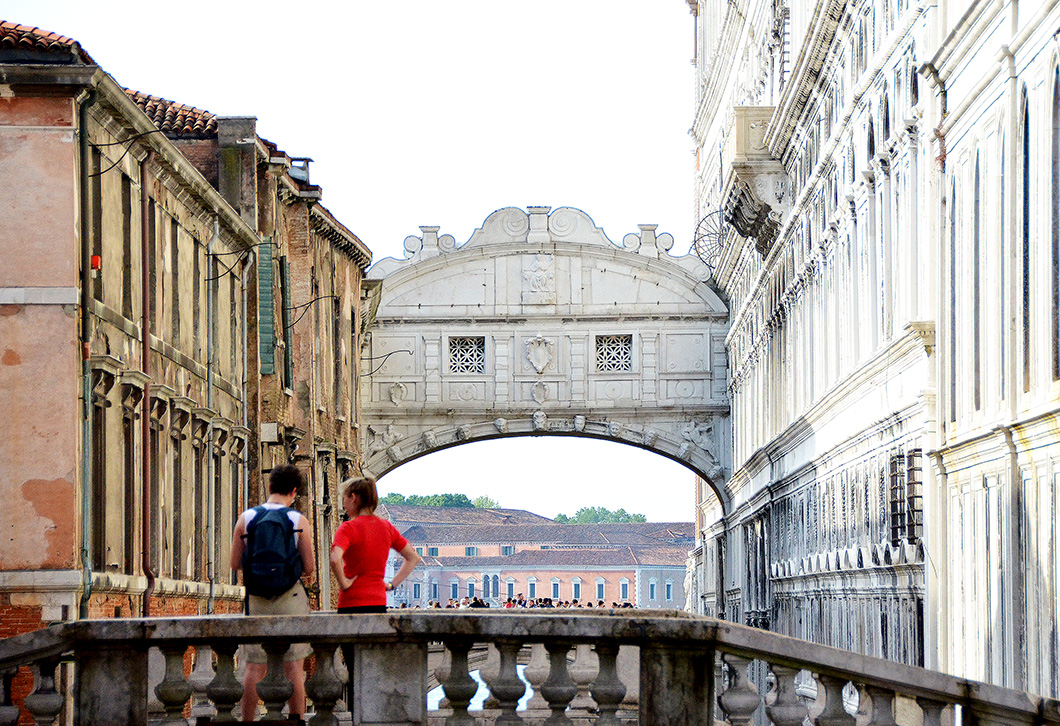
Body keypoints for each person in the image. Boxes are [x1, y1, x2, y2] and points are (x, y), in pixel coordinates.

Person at [230, 464, 315, 723]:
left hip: (256, 598)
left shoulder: (246, 518)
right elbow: (310, 568)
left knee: (254, 666)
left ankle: (248, 721)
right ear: (294, 491)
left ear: (269, 487)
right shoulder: (298, 520)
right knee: (293, 668)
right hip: (291, 597)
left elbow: (235, 564)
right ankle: (297, 719)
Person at [330, 476, 420, 613]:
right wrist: (391, 585)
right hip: (378, 600)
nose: (344, 506)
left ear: (353, 498)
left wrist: (344, 583)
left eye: (344, 499)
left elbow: (335, 558)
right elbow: (413, 557)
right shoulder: (386, 527)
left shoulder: (348, 528)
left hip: (351, 600)